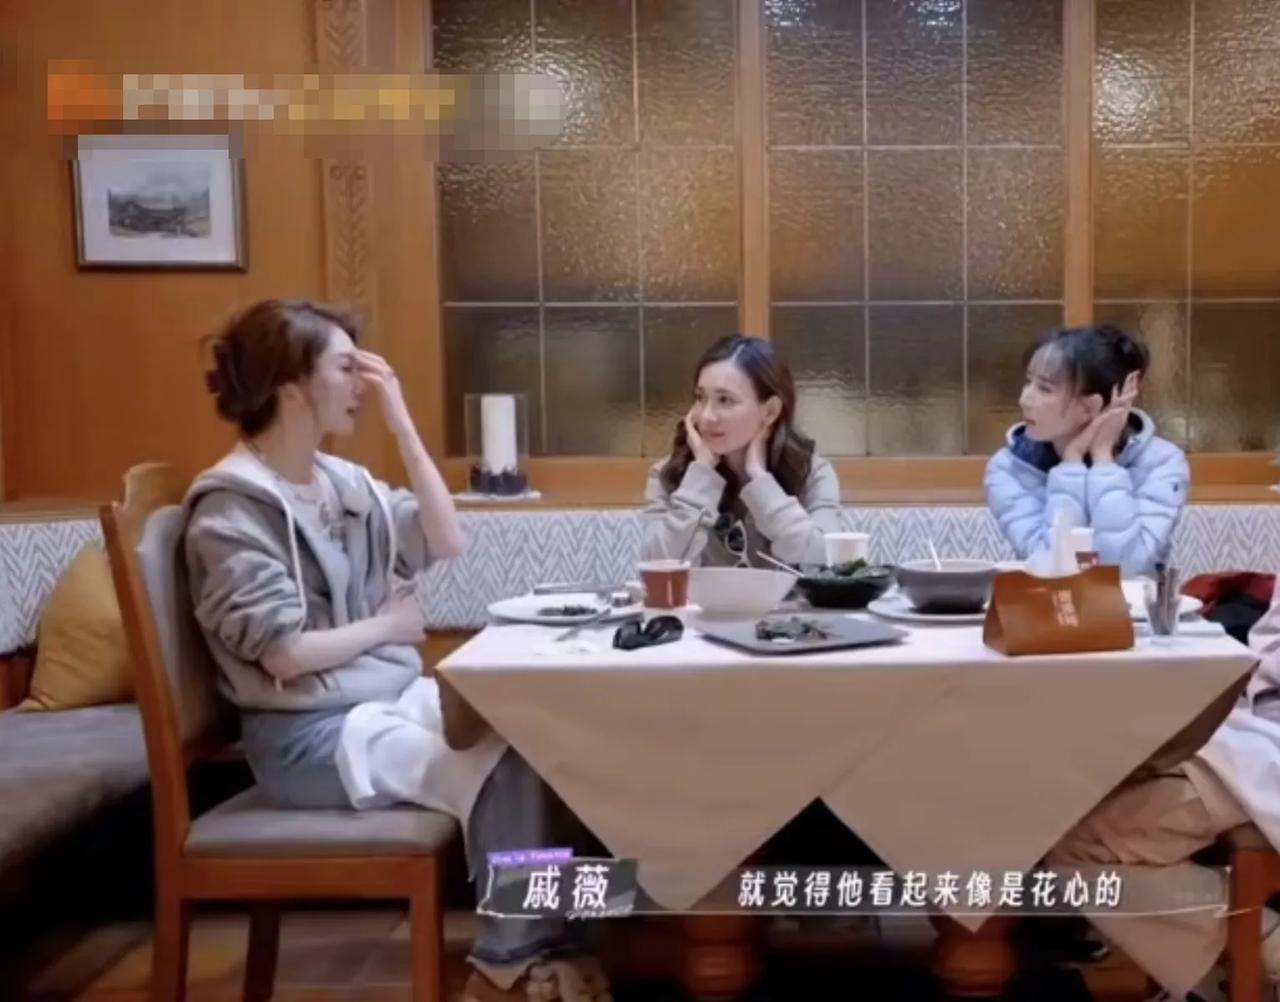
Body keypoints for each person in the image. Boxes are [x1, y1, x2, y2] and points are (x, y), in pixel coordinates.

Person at [184, 299, 609, 1002]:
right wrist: (387, 628)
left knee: (542, 737)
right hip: (305, 738)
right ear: (292, 387)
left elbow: (447, 539)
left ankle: (568, 944)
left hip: (378, 705)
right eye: (345, 369)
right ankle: (508, 966)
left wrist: (404, 425)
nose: (363, 385)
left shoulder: (339, 482)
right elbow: (284, 655)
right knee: (500, 762)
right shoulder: (232, 507)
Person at [985, 324, 1189, 577]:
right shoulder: (1008, 468)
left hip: (1134, 604)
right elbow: (1052, 567)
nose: (1024, 399)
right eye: (1028, 382)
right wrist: (1071, 463)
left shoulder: (1162, 462)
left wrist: (1104, 460)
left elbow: (1125, 570)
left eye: (1044, 388)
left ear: (1090, 406)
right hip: (1049, 601)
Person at [642, 334, 843, 568]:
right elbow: (658, 568)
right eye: (700, 398)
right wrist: (701, 476)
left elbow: (826, 562)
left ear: (770, 411)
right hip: (704, 595)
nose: (706, 416)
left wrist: (761, 481)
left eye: (725, 400)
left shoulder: (811, 472)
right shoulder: (669, 474)